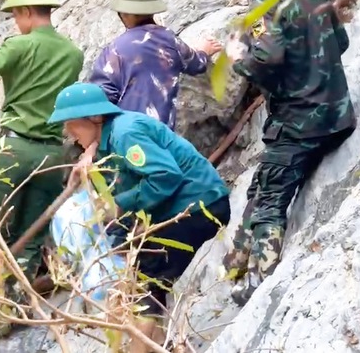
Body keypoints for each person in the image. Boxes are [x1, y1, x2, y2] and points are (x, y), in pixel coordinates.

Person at [214, 0, 357, 306]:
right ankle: (236, 263)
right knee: (262, 183)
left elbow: (264, 60)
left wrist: (234, 53)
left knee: (270, 200)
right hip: (337, 113)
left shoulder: (263, 8)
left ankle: (257, 284)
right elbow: (340, 43)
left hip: (300, 124)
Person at [47, 82, 231, 351]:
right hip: (173, 211)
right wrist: (84, 176)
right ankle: (163, 343)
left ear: (95, 118)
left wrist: (118, 206)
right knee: (129, 271)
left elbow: (165, 177)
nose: (69, 133)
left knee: (143, 279)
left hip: (199, 206)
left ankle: (147, 345)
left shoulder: (126, 133)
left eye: (72, 125)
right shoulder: (107, 144)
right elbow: (112, 196)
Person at [0, 0, 84, 286]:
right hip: (51, 155)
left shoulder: (19, 45)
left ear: (28, 11)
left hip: (13, 151)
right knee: (31, 239)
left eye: (16, 15)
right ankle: (18, 304)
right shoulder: (73, 54)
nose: (16, 22)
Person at [82, 0, 222, 162]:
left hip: (126, 135)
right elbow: (197, 64)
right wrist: (204, 50)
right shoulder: (169, 40)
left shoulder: (114, 50)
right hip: (161, 135)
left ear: (125, 14)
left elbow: (101, 97)